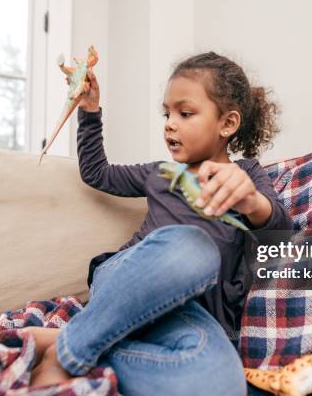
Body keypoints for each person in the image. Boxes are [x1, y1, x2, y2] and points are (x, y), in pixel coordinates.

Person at [24, 51, 290, 395]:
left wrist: (253, 201)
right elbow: (96, 173)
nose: (170, 123)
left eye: (185, 113)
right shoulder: (160, 173)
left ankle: (70, 342)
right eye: (167, 113)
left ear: (227, 123)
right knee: (192, 247)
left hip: (187, 316)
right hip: (128, 283)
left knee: (224, 385)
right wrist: (90, 111)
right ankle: (66, 356)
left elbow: (281, 231)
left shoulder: (246, 175)